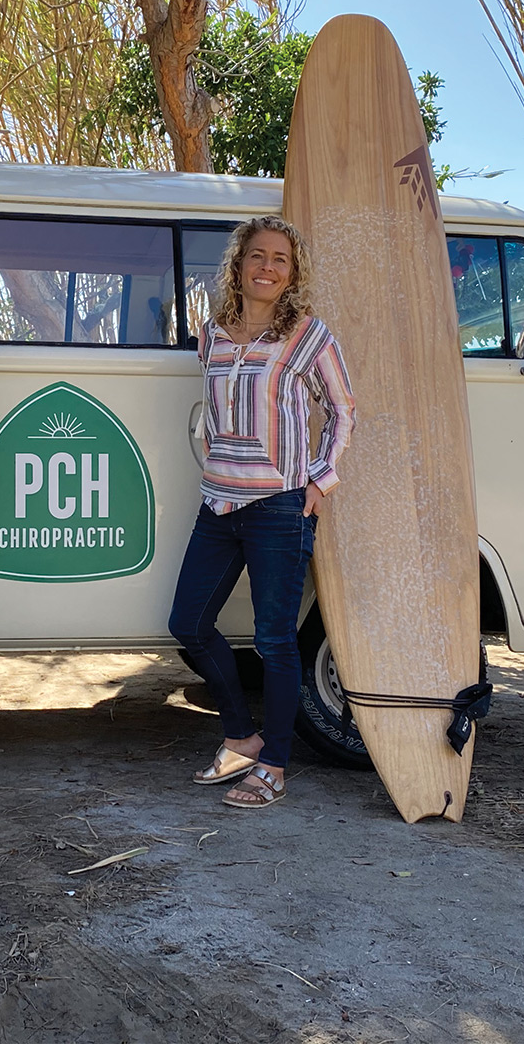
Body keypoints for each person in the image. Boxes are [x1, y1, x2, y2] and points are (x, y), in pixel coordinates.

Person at [168, 215, 354, 810]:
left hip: (280, 506)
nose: (267, 267)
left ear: (292, 273)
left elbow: (343, 410)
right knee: (189, 624)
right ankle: (240, 737)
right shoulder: (212, 334)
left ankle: (273, 763)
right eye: (257, 255)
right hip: (218, 502)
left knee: (275, 641)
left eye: (280, 259)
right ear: (239, 264)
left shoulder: (308, 335)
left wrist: (320, 480)